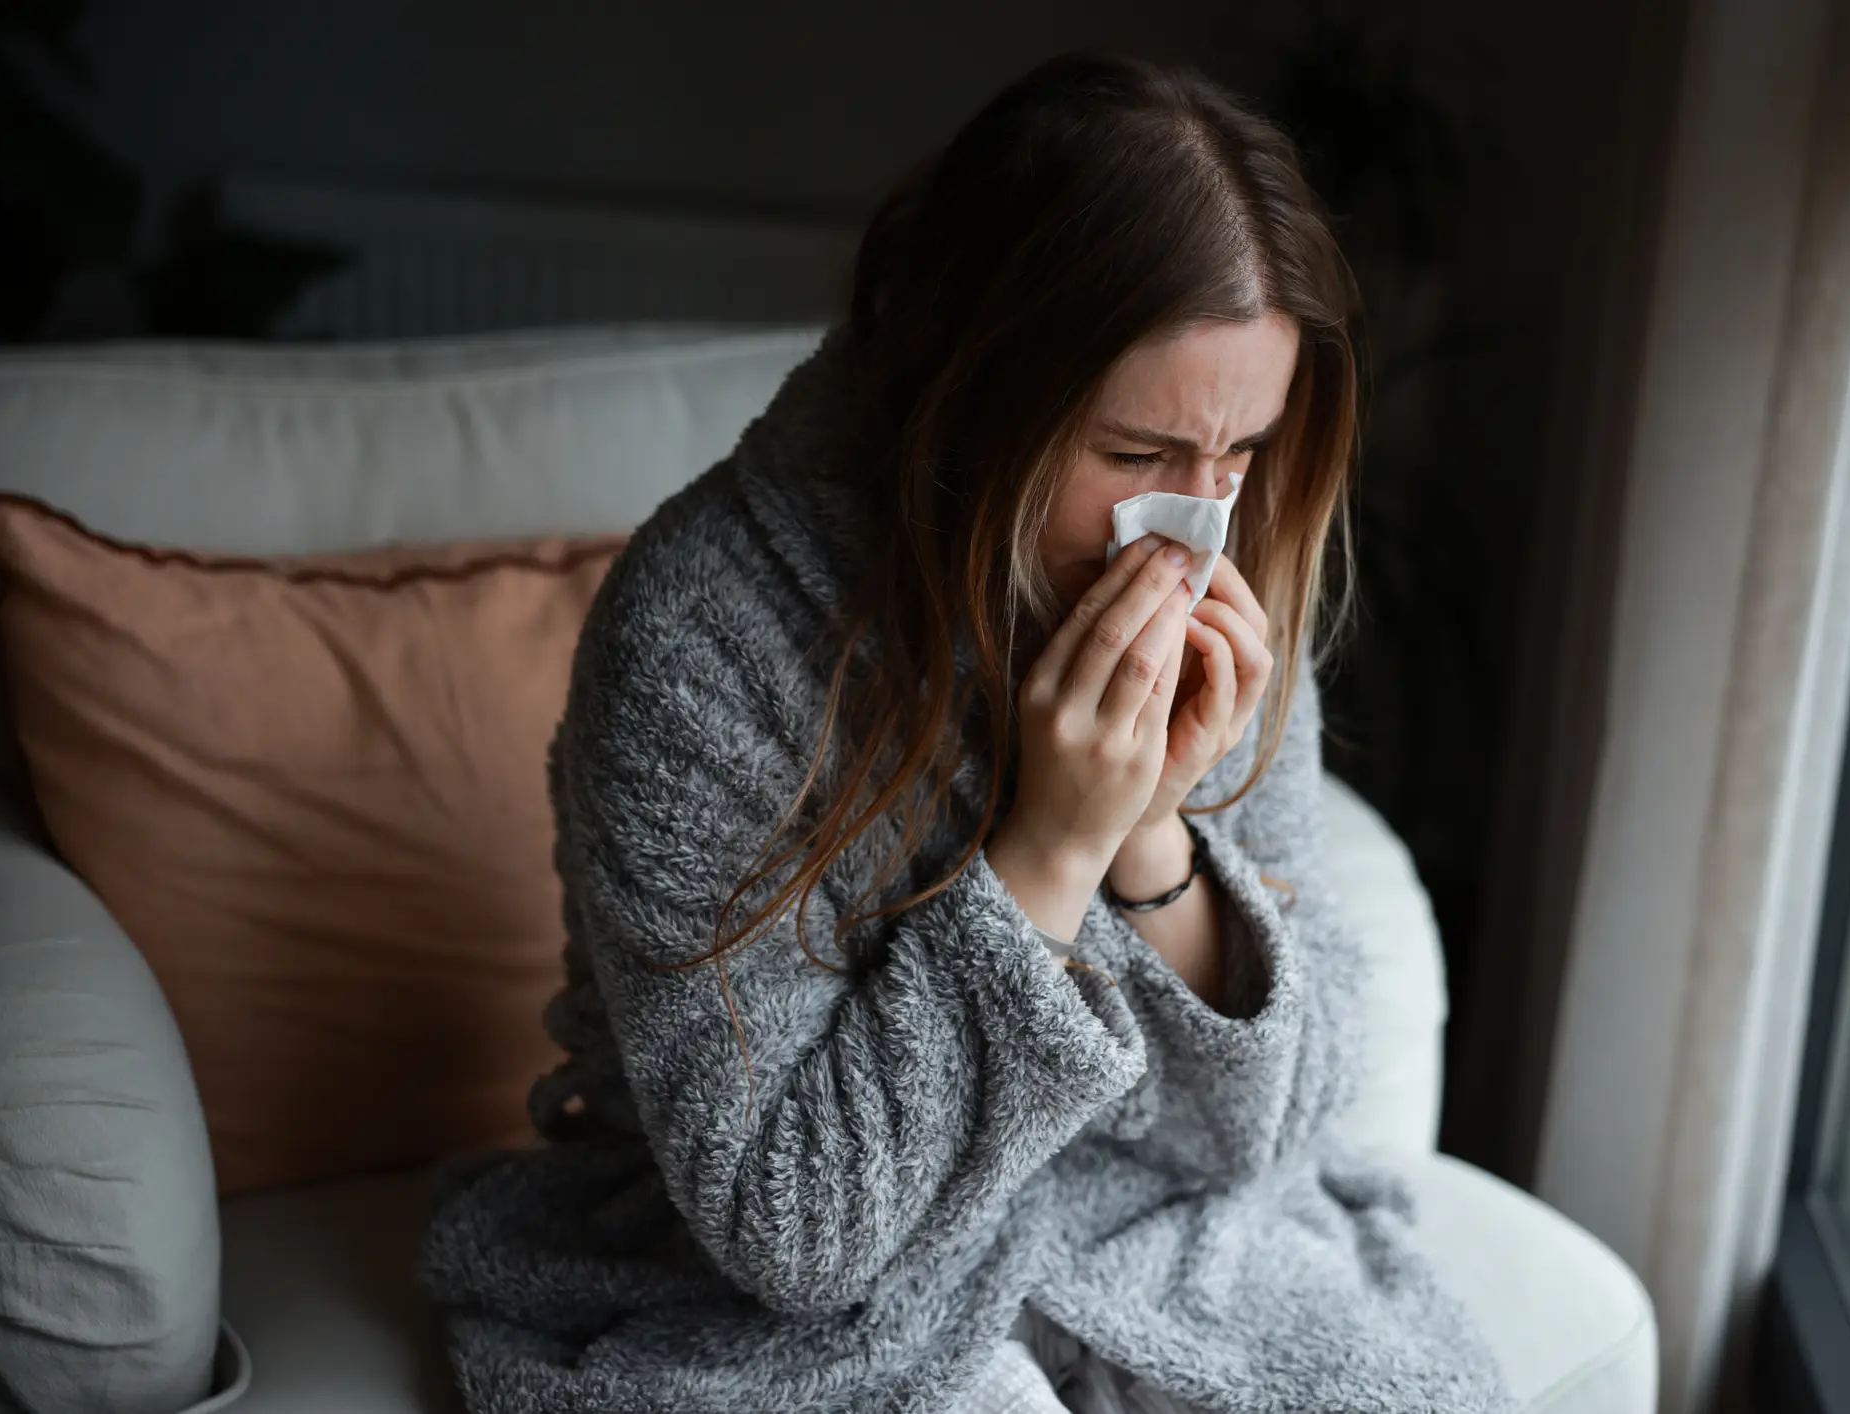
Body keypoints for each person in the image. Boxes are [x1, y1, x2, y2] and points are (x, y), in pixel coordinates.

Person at [415, 49, 1513, 1414]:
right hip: (776, 1293)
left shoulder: (1230, 585)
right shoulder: (699, 638)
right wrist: (1046, 851)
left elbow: (1270, 1135)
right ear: (965, 390)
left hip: (1125, 1230)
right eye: (1135, 454)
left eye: (1239, 454)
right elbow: (798, 1233)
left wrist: (1153, 839)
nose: (1193, 523)